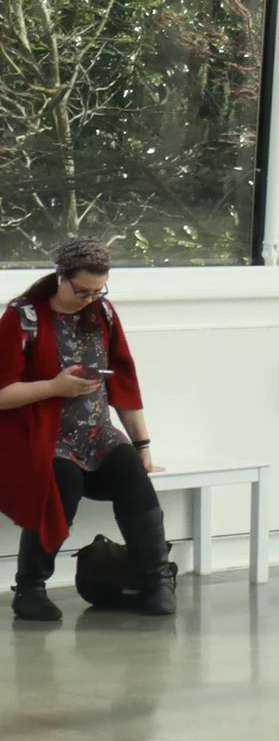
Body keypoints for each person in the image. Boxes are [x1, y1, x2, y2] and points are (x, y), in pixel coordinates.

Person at [0, 233, 174, 624]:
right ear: (61, 277)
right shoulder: (22, 317)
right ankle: (30, 588)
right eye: (82, 291)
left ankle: (156, 581)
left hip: (96, 433)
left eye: (98, 291)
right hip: (43, 436)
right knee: (62, 483)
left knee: (133, 476)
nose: (90, 299)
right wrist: (53, 388)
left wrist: (143, 445)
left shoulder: (104, 313)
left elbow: (125, 384)